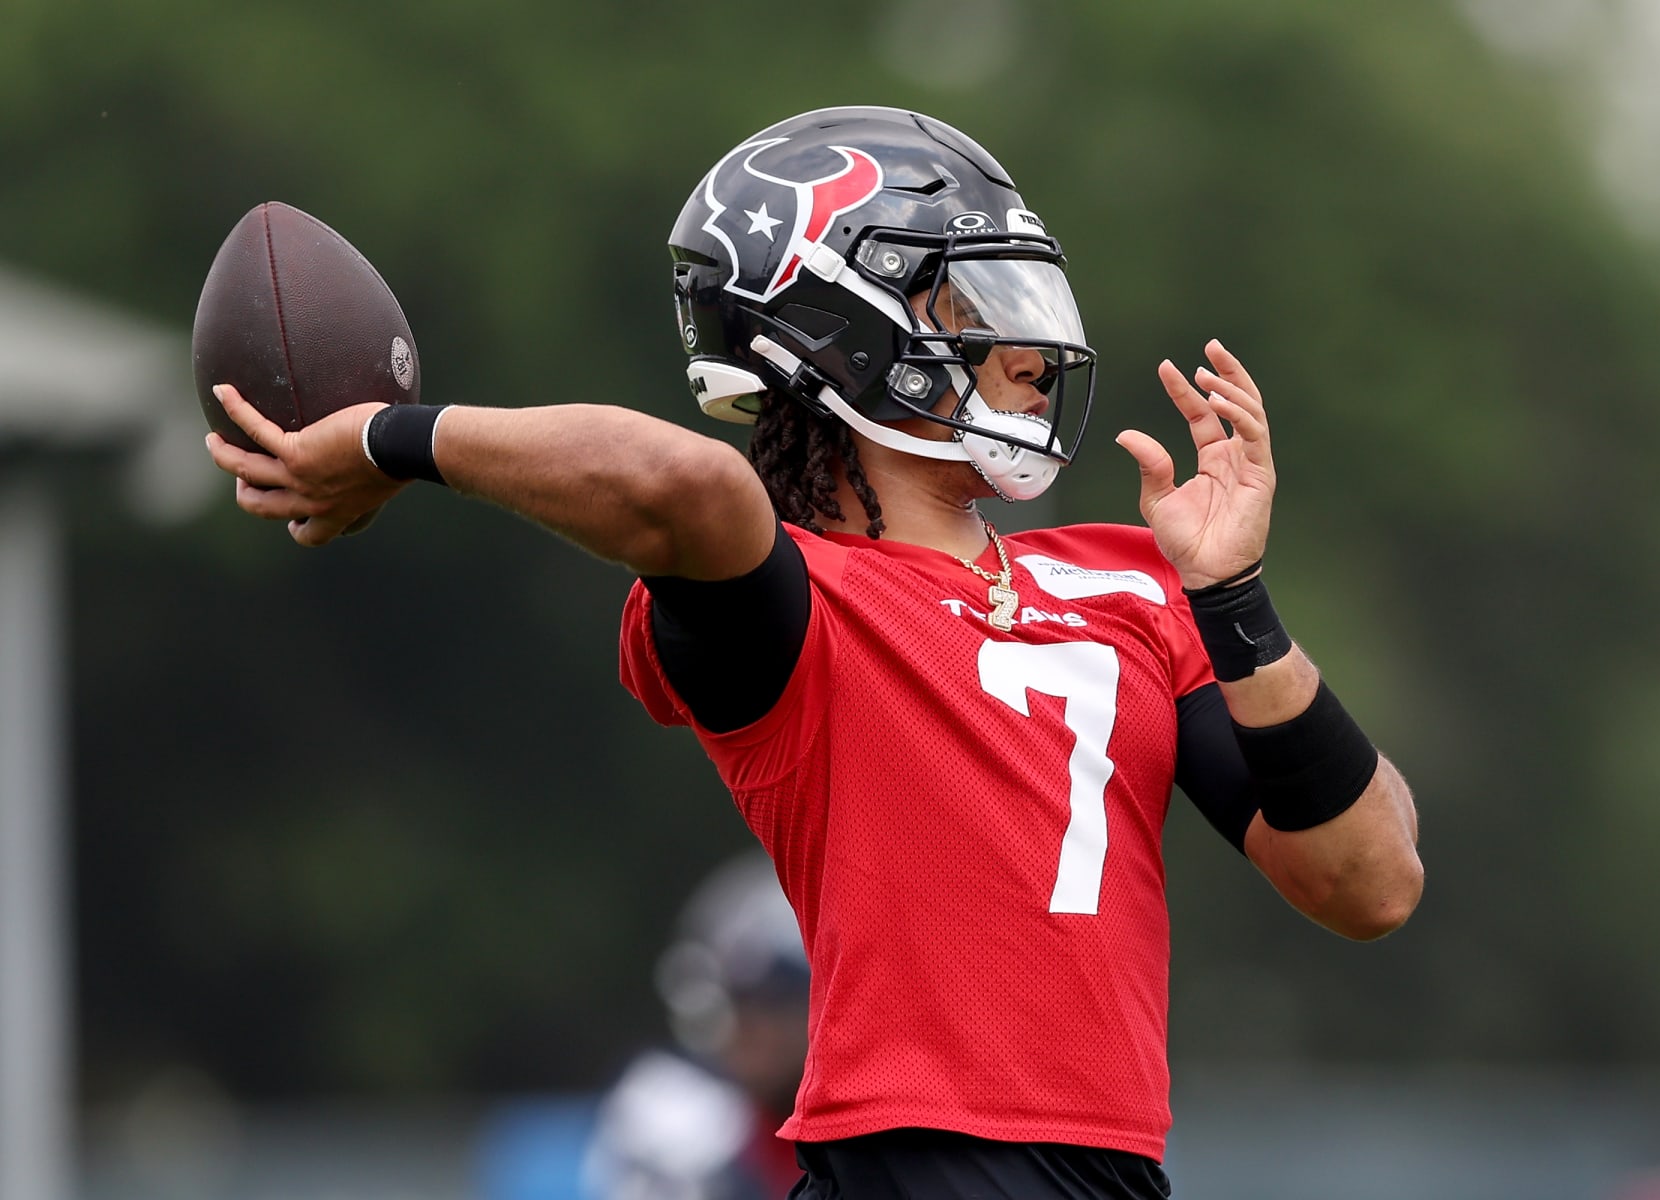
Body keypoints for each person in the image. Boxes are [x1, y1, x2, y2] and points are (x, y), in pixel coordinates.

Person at [205, 105, 1423, 1199]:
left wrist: (1235, 599)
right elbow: (679, 482)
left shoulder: (1128, 579)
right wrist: (386, 437)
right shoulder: (794, 601)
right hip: (908, 1165)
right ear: (838, 327)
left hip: (1113, 1168)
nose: (1023, 350)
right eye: (970, 306)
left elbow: (1369, 883)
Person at [581, 852, 809, 1200]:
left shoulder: (873, 1113)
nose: (752, 1024)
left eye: (775, 1000)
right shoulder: (674, 1114)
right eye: (740, 1001)